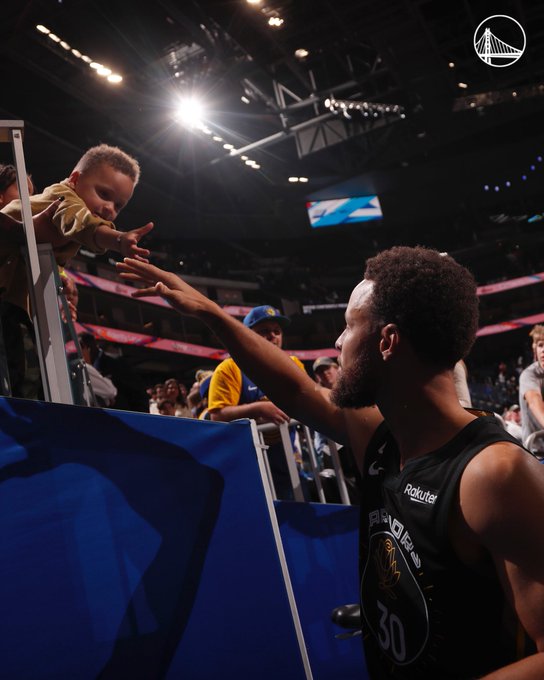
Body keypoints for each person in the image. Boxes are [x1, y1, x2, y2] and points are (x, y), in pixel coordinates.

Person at [118, 247, 544, 679]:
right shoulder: (383, 439)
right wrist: (212, 313)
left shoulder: (494, 474)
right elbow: (297, 390)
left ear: (387, 341)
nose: (338, 342)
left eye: (348, 326)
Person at [0, 147, 153, 398]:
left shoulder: (69, 212)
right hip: (10, 309)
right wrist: (118, 239)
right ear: (74, 180)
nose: (109, 209)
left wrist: (61, 281)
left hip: (20, 307)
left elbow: (47, 254)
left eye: (119, 205)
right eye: (103, 194)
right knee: (23, 384)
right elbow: (81, 222)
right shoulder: (64, 198)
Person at [207, 304, 307, 499]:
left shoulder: (294, 364)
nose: (272, 336)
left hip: (289, 458)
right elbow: (217, 415)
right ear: (246, 335)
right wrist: (259, 408)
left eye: (277, 331)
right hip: (249, 460)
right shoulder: (229, 368)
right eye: (264, 331)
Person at [519, 324, 544, 447]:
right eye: (540, 345)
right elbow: (534, 403)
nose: (543, 349)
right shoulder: (528, 375)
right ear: (535, 350)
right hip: (536, 452)